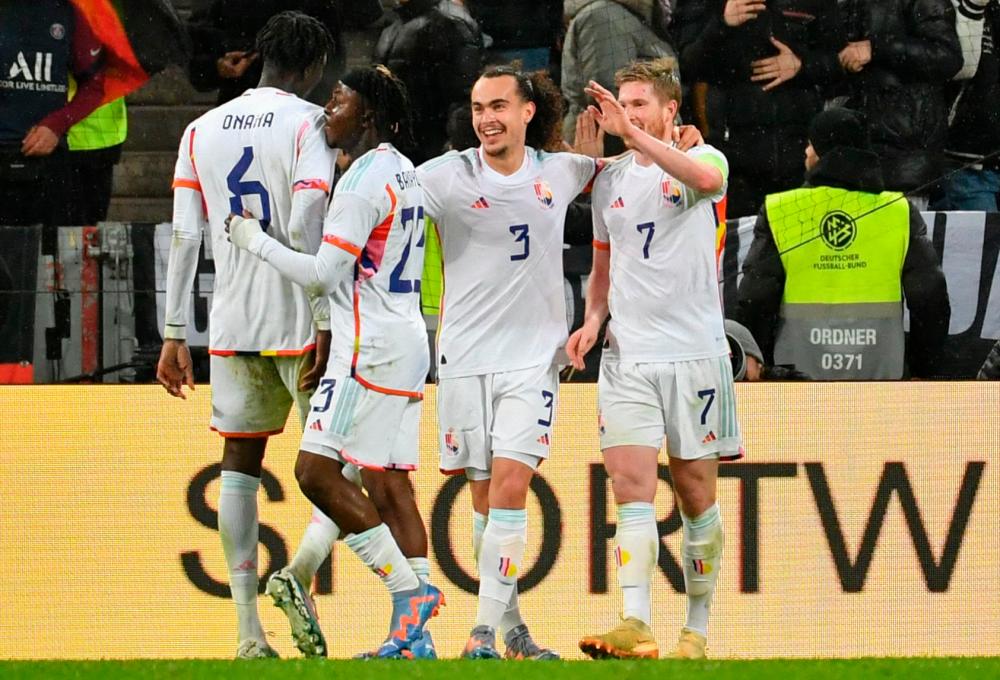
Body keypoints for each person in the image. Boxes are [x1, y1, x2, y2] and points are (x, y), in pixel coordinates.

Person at [225, 64, 444, 660]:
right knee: (392, 485)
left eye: (338, 101)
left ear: (367, 113)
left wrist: (252, 240)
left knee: (315, 473)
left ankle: (409, 595)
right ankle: (414, 643)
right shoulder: (403, 170)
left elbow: (324, 271)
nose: (327, 110)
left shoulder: (360, 184)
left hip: (366, 347)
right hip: (402, 342)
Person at [157, 11, 345, 659]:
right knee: (341, 465)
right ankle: (298, 573)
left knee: (240, 460)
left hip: (231, 319)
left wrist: (174, 331)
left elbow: (184, 235)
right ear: (316, 65)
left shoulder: (199, 128)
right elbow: (305, 220)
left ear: (260, 55)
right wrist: (325, 319)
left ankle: (246, 633)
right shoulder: (308, 123)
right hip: (301, 317)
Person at [416, 65, 598, 660]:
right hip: (464, 359)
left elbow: (633, 177)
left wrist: (681, 143)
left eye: (498, 106)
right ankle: (513, 630)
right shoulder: (446, 176)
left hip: (532, 362)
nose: (486, 118)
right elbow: (385, 195)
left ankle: (481, 634)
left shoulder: (559, 170)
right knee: (484, 502)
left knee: (512, 488)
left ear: (527, 112)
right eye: (477, 108)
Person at [566, 58, 740, 660]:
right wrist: (593, 321)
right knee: (630, 488)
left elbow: (707, 182)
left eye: (641, 104)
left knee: (696, 497)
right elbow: (603, 265)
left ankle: (696, 628)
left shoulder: (705, 159)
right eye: (623, 102)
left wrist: (634, 136)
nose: (629, 112)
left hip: (694, 357)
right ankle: (634, 622)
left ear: (671, 111)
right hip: (629, 357)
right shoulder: (610, 182)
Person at [736, 107, 950, 379]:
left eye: (810, 144)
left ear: (823, 153)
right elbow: (931, 301)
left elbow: (756, 297)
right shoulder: (898, 210)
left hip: (797, 377)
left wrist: (756, 359)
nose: (806, 152)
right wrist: (924, 369)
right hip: (881, 375)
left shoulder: (782, 210)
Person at [672, 0, 846, 219]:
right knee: (735, 247)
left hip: (799, 156)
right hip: (733, 161)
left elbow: (842, 64)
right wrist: (722, 23)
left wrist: (803, 65)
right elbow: (686, 66)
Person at [835, 0, 962, 207]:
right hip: (846, 157)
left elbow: (947, 57)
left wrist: (877, 49)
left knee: (902, 237)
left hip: (901, 161)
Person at [0, 0, 107, 226]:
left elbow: (94, 86)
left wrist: (56, 125)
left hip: (49, 165)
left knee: (48, 255)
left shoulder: (69, 12)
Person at [374, 0, 484, 162]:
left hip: (432, 146)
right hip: (396, 146)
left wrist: (456, 145)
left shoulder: (450, 26)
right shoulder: (389, 31)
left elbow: (463, 97)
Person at [562, 0, 675, 152]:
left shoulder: (634, 15)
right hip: (613, 150)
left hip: (641, 147)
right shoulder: (605, 17)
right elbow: (608, 96)